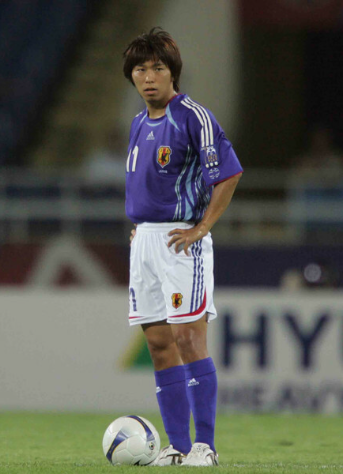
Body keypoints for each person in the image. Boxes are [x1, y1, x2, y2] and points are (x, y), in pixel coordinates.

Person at [122, 28, 243, 466]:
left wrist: (202, 227)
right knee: (158, 345)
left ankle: (205, 446)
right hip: (145, 241)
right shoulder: (138, 122)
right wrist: (141, 227)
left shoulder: (193, 117)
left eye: (157, 68)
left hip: (181, 240)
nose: (148, 77)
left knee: (188, 338)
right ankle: (176, 446)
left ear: (172, 71)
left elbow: (228, 173)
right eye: (140, 69)